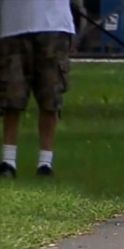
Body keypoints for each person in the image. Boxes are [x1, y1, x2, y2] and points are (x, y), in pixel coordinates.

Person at [0, 0, 76, 179]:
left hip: (53, 24)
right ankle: (8, 161)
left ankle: (45, 163)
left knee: (50, 96)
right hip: (13, 25)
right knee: (11, 96)